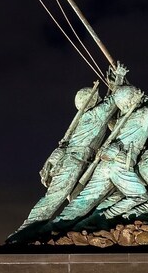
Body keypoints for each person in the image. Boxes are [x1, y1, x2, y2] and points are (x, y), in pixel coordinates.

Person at [6, 80, 119, 244]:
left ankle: (74, 231)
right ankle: (23, 233)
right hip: (74, 162)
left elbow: (109, 102)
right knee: (54, 198)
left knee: (78, 199)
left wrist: (113, 85)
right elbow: (115, 100)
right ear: (95, 100)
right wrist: (118, 80)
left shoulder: (87, 115)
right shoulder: (95, 115)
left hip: (78, 161)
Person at [50, 85, 148, 231]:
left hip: (104, 164)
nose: (139, 93)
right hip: (121, 164)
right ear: (133, 99)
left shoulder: (118, 121)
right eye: (136, 92)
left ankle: (56, 225)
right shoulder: (143, 114)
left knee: (87, 199)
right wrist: (143, 98)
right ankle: (102, 217)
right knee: (139, 197)